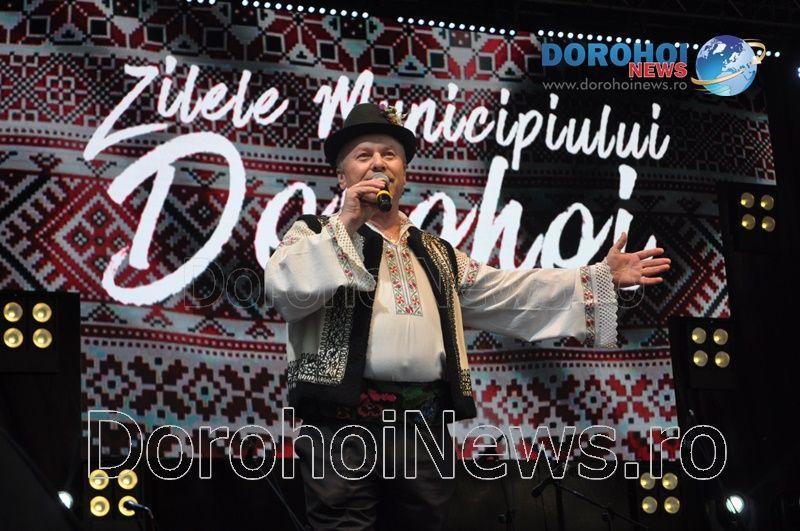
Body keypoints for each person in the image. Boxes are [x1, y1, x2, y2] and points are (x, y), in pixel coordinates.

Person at [263, 102, 670, 530]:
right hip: (340, 430)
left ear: (404, 173)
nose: (379, 163)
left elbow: (509, 292)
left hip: (422, 431)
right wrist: (347, 222)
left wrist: (599, 277)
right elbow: (285, 290)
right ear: (342, 176)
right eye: (364, 155)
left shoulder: (436, 254)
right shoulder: (314, 234)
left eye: (390, 154)